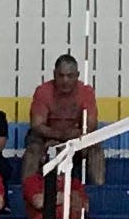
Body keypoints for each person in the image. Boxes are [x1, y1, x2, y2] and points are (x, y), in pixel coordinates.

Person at [22, 54, 105, 186]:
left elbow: (91, 125)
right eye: (61, 75)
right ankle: (27, 192)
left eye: (70, 76)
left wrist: (72, 138)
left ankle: (99, 193)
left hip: (76, 139)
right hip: (46, 139)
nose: (65, 80)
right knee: (32, 151)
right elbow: (37, 125)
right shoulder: (43, 91)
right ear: (54, 74)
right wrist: (59, 136)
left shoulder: (86, 92)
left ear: (77, 75)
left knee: (96, 150)